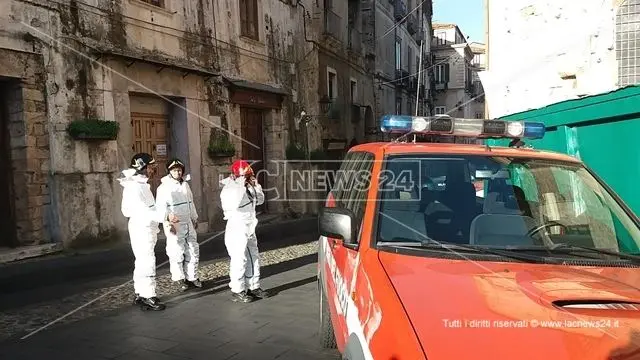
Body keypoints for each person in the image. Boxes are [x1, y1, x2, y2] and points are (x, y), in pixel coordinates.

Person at [118, 153, 178, 311]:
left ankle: (140, 292)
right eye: (150, 167)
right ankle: (148, 295)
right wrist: (165, 216)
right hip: (142, 228)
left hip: (146, 227)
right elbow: (143, 210)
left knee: (141, 261)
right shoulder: (135, 187)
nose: (152, 170)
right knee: (147, 261)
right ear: (141, 168)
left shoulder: (141, 185)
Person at [219, 159, 269, 302]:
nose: (246, 179)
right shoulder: (229, 189)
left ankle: (253, 286)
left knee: (254, 255)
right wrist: (241, 184)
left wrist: (256, 186)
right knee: (239, 258)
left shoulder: (249, 186)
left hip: (250, 225)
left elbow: (260, 201)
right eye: (245, 176)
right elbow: (232, 204)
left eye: (248, 176)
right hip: (237, 225)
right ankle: (238, 289)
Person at [156, 158, 202, 292]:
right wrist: (167, 221)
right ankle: (178, 278)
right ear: (169, 172)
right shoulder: (163, 188)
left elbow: (191, 202)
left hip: (187, 221)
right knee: (176, 251)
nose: (178, 172)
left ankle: (192, 276)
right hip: (174, 222)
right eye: (175, 170)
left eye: (180, 170)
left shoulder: (185, 185)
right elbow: (161, 207)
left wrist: (194, 217)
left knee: (193, 249)